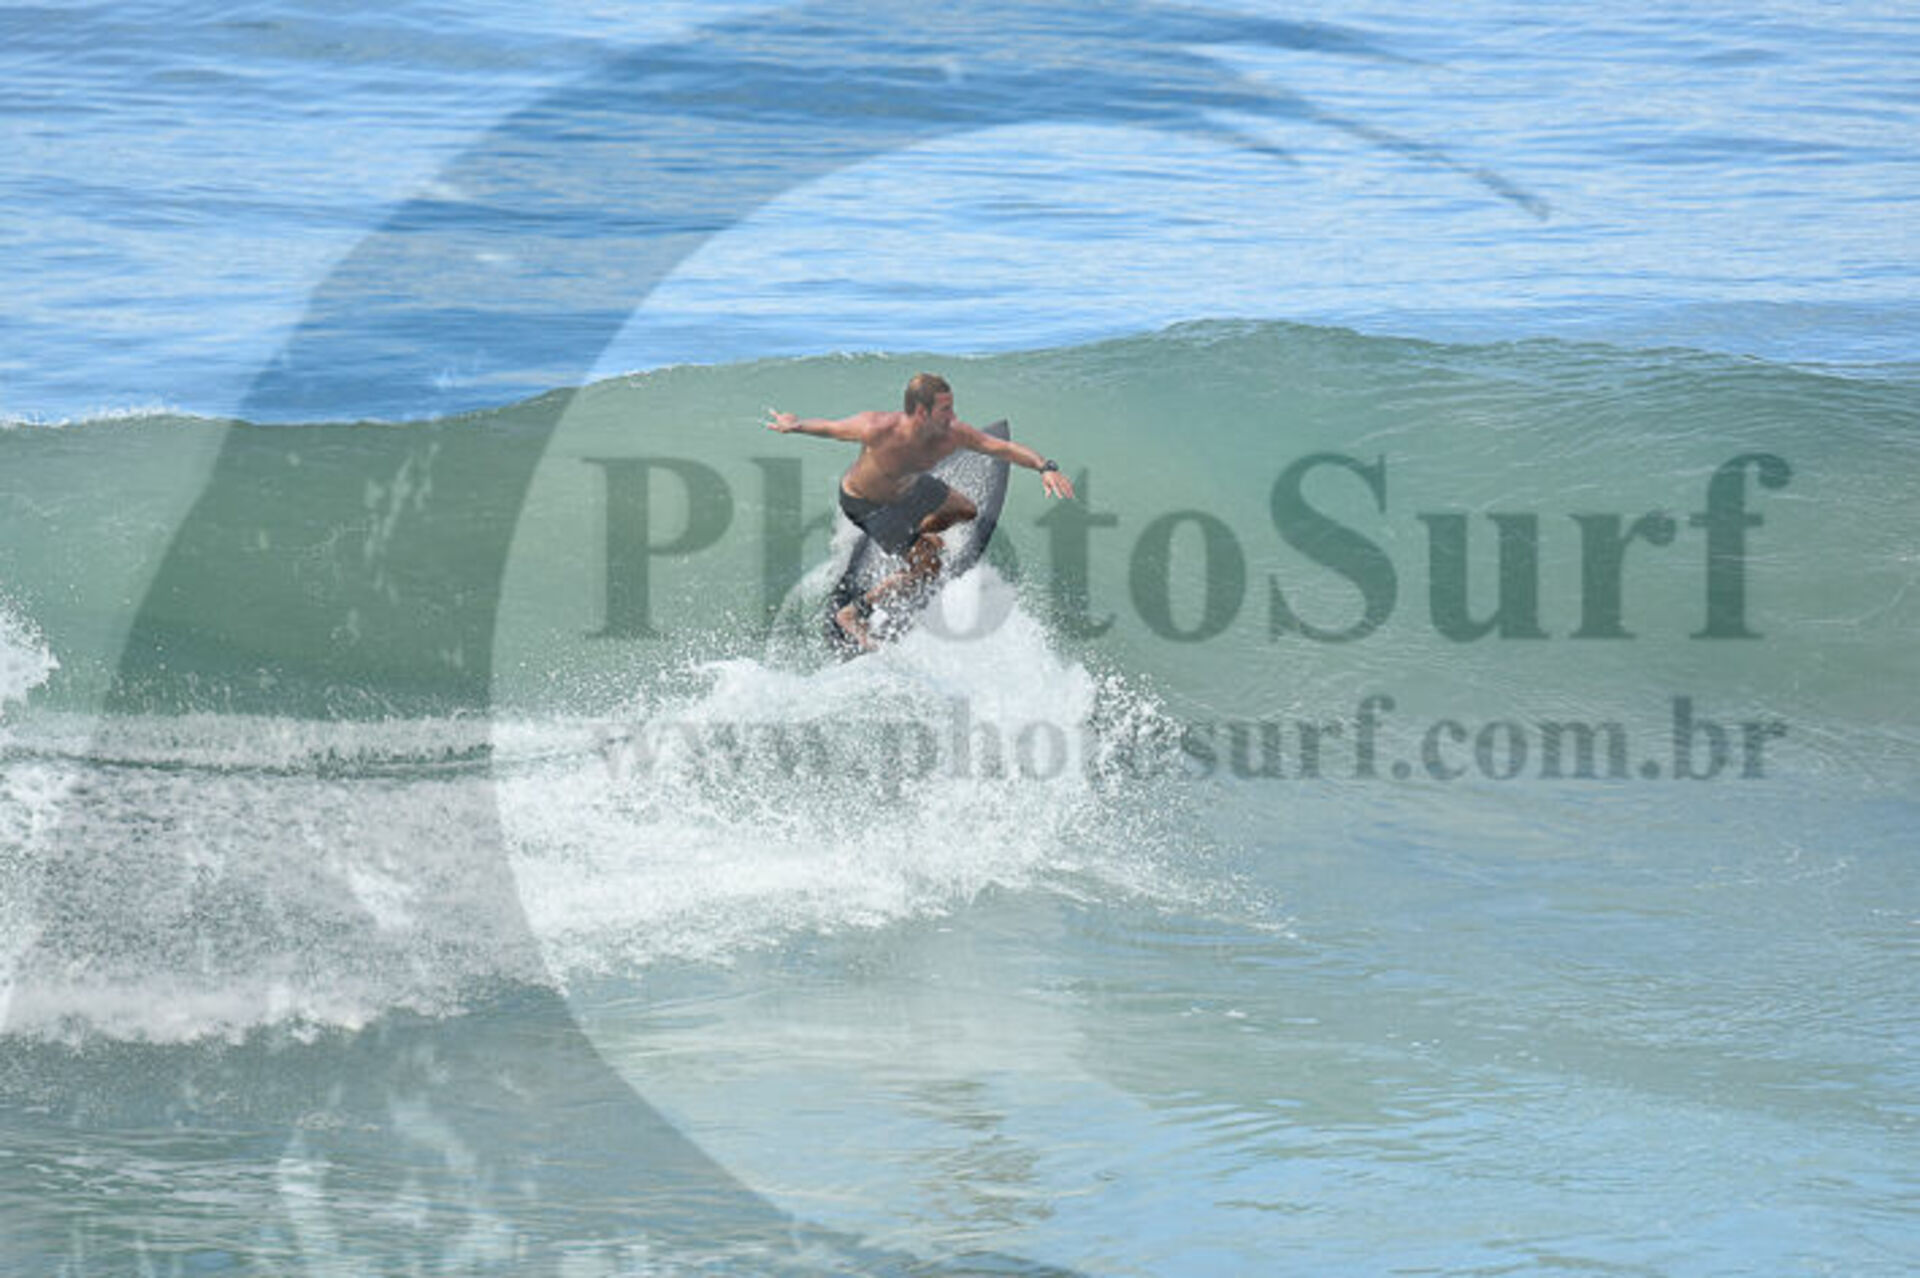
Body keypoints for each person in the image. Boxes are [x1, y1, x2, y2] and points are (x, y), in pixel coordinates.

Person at [767, 373, 1075, 649]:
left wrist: (1044, 467)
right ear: (921, 412)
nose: (953, 416)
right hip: (869, 505)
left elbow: (1000, 448)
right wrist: (794, 425)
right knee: (929, 567)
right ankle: (853, 613)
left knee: (966, 509)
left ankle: (917, 533)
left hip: (912, 486)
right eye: (945, 410)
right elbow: (830, 428)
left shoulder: (951, 432)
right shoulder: (877, 427)